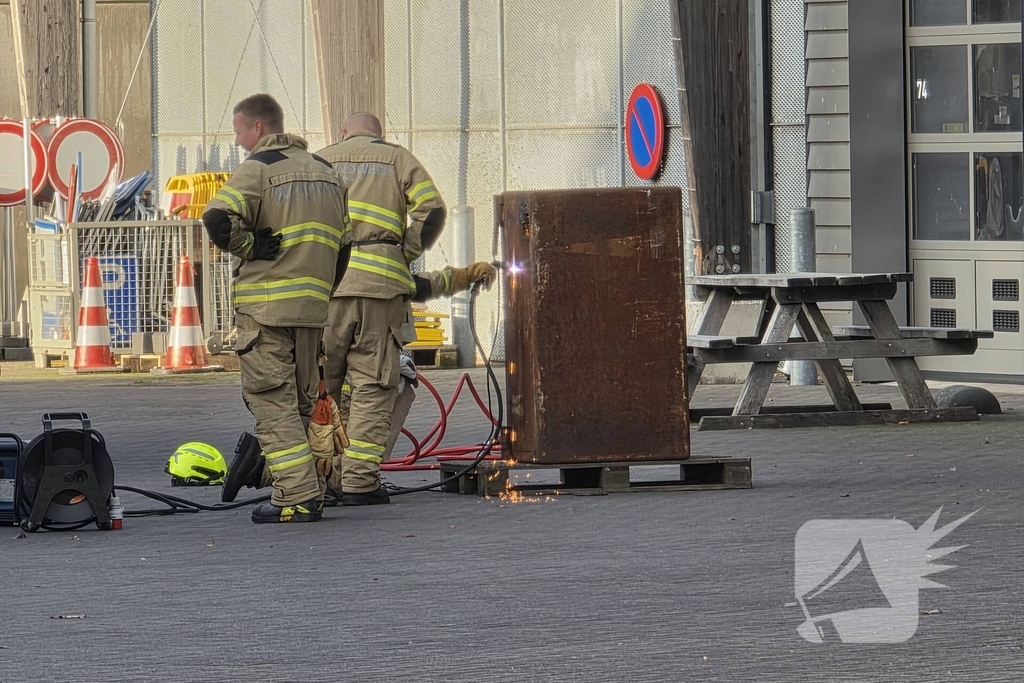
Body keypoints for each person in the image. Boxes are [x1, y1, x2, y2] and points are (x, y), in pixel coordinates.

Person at [203, 93, 351, 524]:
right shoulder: (328, 174)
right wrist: (322, 293)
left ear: (258, 128)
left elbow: (215, 219)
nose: (238, 141)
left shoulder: (258, 169)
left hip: (265, 310)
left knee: (273, 403)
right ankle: (317, 485)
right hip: (311, 312)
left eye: (239, 132)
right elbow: (343, 249)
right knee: (306, 403)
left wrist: (250, 246)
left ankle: (298, 496)